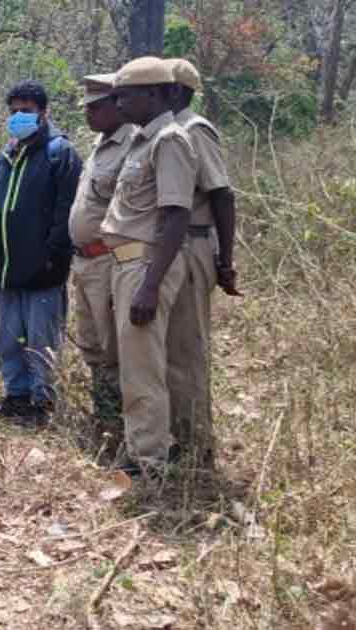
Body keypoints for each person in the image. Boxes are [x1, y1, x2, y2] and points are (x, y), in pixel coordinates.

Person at [101, 56, 198, 476]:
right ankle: (143, 447)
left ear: (157, 94)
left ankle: (148, 460)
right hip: (127, 264)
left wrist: (150, 284)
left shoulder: (170, 140)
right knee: (136, 364)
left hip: (144, 266)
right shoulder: (142, 140)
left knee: (143, 369)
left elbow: (175, 214)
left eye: (127, 96)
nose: (118, 104)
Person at [0, 80, 82, 424]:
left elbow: (66, 210)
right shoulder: (5, 157)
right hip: (8, 267)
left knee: (42, 339)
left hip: (43, 267)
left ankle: (43, 401)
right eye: (13, 111)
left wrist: (54, 255)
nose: (18, 117)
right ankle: (16, 395)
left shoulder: (60, 153)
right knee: (9, 338)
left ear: (44, 112)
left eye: (25, 111)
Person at [165, 57, 240, 470]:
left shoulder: (195, 132)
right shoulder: (161, 133)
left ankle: (196, 448)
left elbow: (222, 195)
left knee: (185, 351)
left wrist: (225, 261)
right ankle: (173, 436)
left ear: (173, 91)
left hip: (191, 246)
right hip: (164, 249)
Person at [67, 74, 135, 446]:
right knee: (92, 347)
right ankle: (105, 422)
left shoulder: (133, 145)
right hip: (84, 263)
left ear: (117, 105)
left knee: (114, 349)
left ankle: (124, 430)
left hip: (111, 261)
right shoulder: (99, 145)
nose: (89, 114)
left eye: (95, 107)